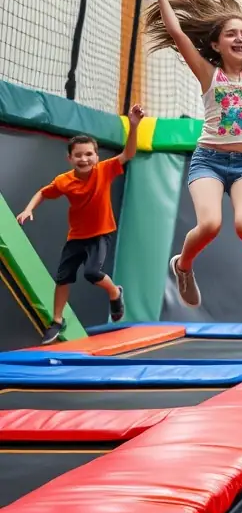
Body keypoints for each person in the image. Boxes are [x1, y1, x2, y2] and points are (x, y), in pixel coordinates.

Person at [142, 0, 242, 315]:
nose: (240, 38)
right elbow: (177, 34)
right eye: (231, 34)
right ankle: (184, 266)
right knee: (209, 224)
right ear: (217, 44)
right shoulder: (208, 74)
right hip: (208, 158)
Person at [17, 105, 144, 344]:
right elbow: (43, 193)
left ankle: (115, 292)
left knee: (92, 272)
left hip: (100, 233)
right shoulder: (63, 181)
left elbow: (128, 154)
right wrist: (28, 209)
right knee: (63, 277)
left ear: (96, 156)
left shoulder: (105, 170)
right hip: (76, 236)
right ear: (70, 158)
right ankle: (56, 321)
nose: (84, 159)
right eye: (78, 155)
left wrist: (134, 126)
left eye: (89, 154)